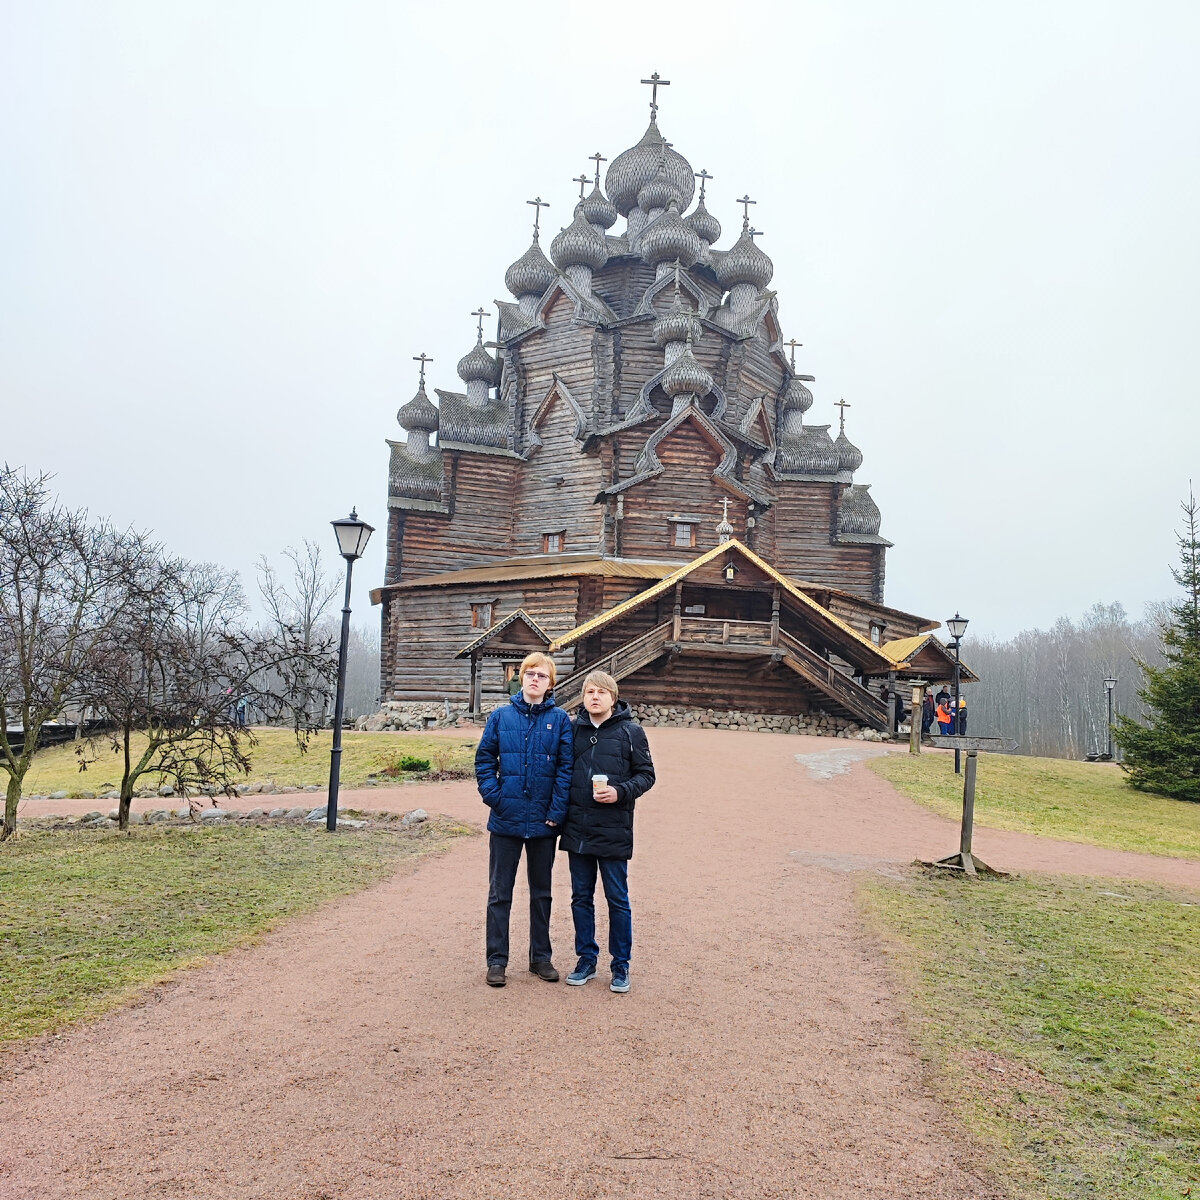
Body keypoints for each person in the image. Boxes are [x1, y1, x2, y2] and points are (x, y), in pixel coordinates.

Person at [474, 651, 573, 988]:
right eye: (529, 673)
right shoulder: (501, 717)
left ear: (550, 683)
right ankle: (497, 960)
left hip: (544, 822)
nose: (534, 678)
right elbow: (485, 759)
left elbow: (565, 770)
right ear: (520, 678)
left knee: (542, 893)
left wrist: (556, 812)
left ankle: (540, 957)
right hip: (506, 818)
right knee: (500, 892)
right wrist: (495, 798)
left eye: (541, 675)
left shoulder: (560, 720)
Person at [558, 672, 655, 994]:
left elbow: (646, 775)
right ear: (583, 697)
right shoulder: (571, 731)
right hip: (578, 827)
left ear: (613, 698)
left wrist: (621, 792)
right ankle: (586, 958)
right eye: (589, 692)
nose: (594, 697)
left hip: (613, 828)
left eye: (601, 692)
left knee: (617, 899)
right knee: (581, 898)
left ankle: (620, 964)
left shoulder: (631, 732)